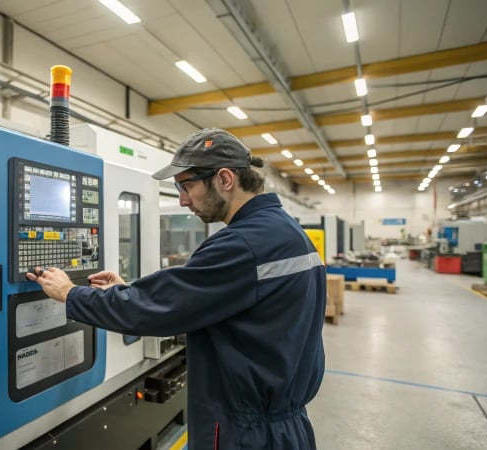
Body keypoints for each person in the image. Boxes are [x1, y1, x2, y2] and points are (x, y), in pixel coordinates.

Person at [26, 128, 326, 450]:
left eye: (186, 185)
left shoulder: (242, 244)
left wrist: (70, 292)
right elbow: (225, 302)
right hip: (285, 424)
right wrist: (129, 287)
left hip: (246, 434)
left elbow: (150, 308)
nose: (183, 200)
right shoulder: (288, 231)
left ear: (225, 179)